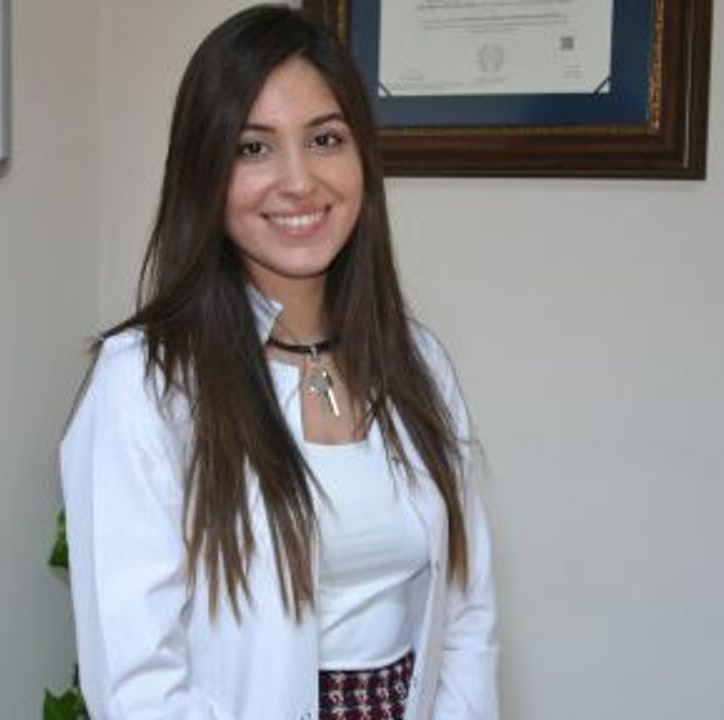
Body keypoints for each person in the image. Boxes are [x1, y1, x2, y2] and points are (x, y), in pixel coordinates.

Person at [61, 5, 498, 719]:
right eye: (253, 148)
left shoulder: (417, 361)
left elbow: (467, 618)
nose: (299, 181)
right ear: (204, 171)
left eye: (325, 139)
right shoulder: (143, 382)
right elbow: (138, 686)